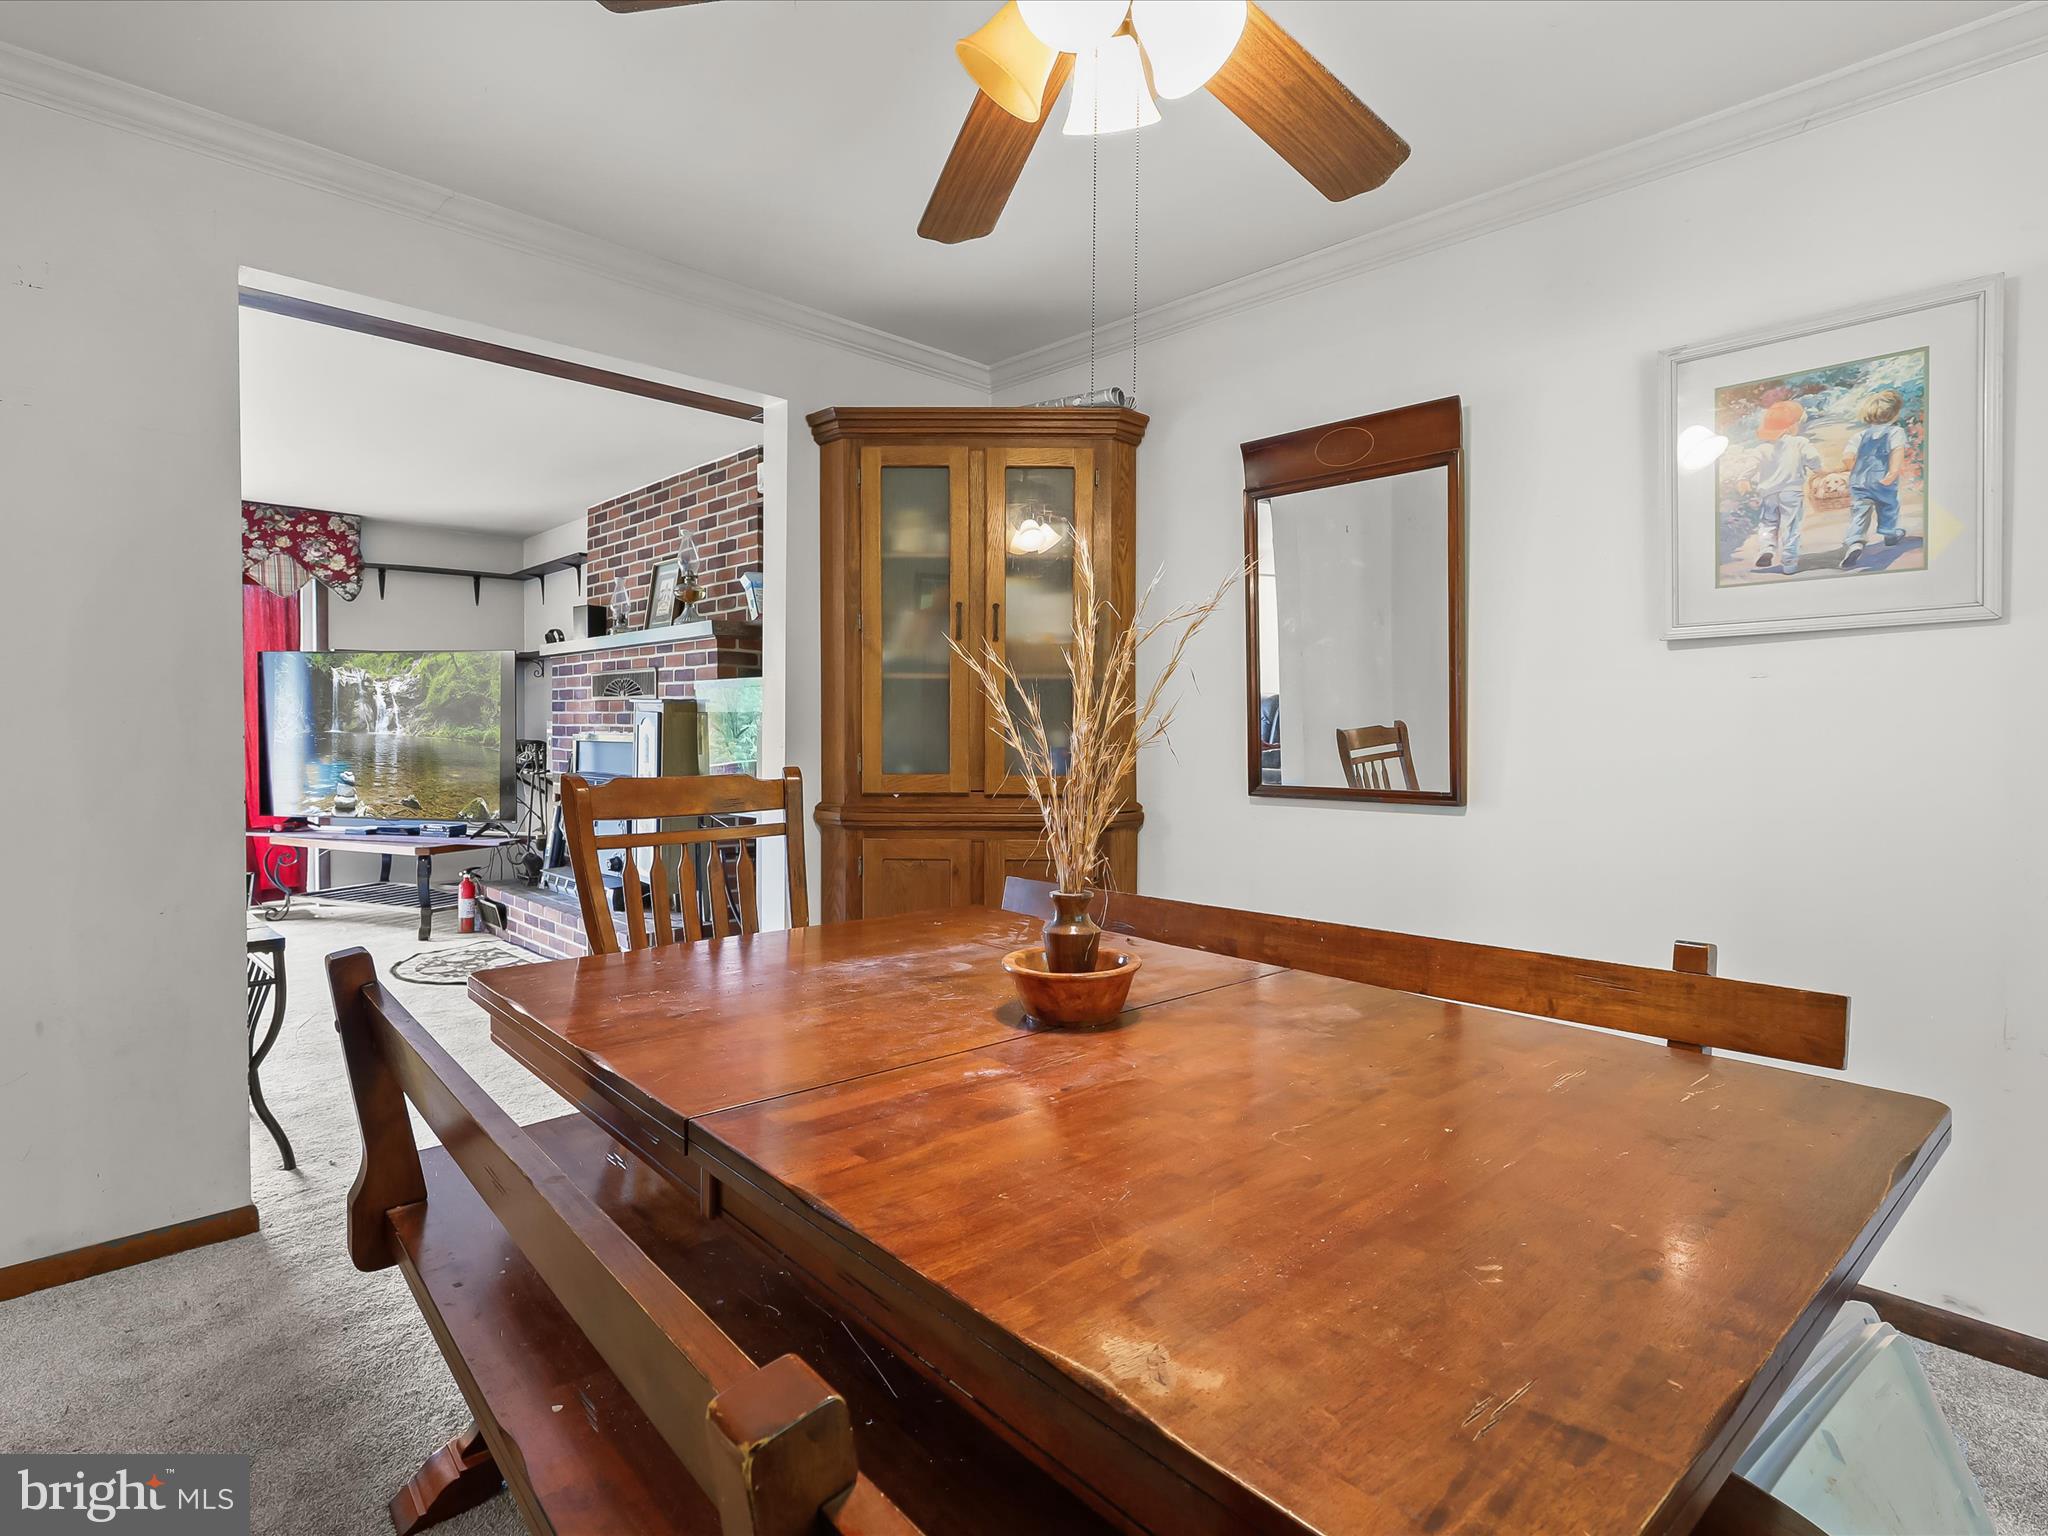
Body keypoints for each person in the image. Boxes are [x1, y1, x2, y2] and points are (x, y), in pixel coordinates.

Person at [1738, 399, 1824, 575]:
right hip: (1791, 492)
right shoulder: (1799, 442)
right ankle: (1789, 561)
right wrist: (1819, 471)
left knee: (1768, 522)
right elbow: (1813, 459)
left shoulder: (1761, 448)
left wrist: (1743, 479)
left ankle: (1767, 549)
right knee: (1790, 525)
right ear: (1792, 426)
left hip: (1768, 493)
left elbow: (1749, 467)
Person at [1840, 389, 1908, 568]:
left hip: (1859, 481)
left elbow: (1847, 457)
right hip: (1882, 479)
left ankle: (1855, 542)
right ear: (1895, 413)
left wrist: (1854, 470)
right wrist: (1892, 473)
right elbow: (1897, 453)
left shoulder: (1860, 435)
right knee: (1888, 506)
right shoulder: (1895, 432)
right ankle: (1890, 534)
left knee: (1859, 513)